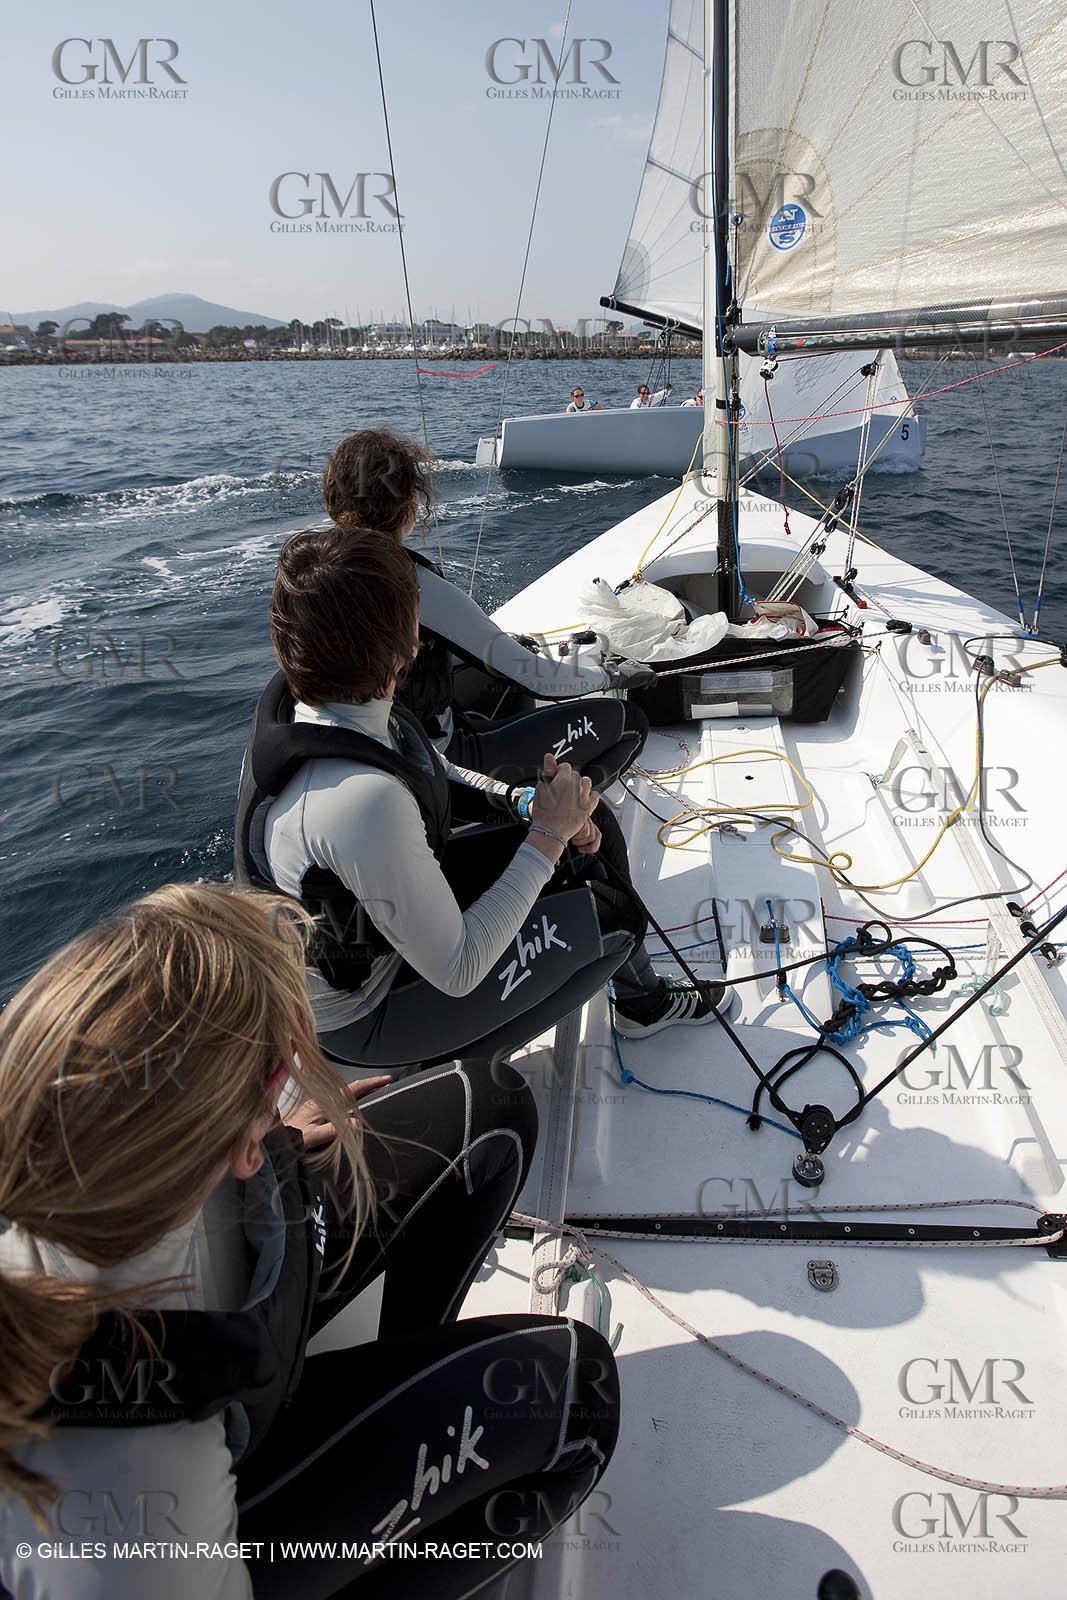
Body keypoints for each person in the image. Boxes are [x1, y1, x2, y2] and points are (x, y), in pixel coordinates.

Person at [0, 883, 621, 1599]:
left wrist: (274, 1134)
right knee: (574, 1393)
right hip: (226, 1510)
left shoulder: (76, 1148)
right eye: (278, 1066)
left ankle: (394, 1368)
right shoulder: (131, 1493)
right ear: (232, 1141)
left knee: (491, 1109)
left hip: (230, 1273)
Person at [234, 529, 735, 1068]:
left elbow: (437, 769)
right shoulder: (360, 802)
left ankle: (640, 1000)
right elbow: (459, 966)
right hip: (367, 1013)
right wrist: (546, 838)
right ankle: (441, 1069)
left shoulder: (326, 708)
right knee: (614, 922)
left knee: (600, 833)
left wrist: (529, 806)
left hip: (383, 925)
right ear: (405, 644)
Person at [321, 428, 654, 768]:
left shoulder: (317, 569)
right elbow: (537, 679)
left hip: (368, 744)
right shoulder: (410, 583)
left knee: (505, 679)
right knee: (629, 721)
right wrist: (610, 675)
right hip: (435, 764)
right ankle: (556, 817)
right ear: (409, 501)